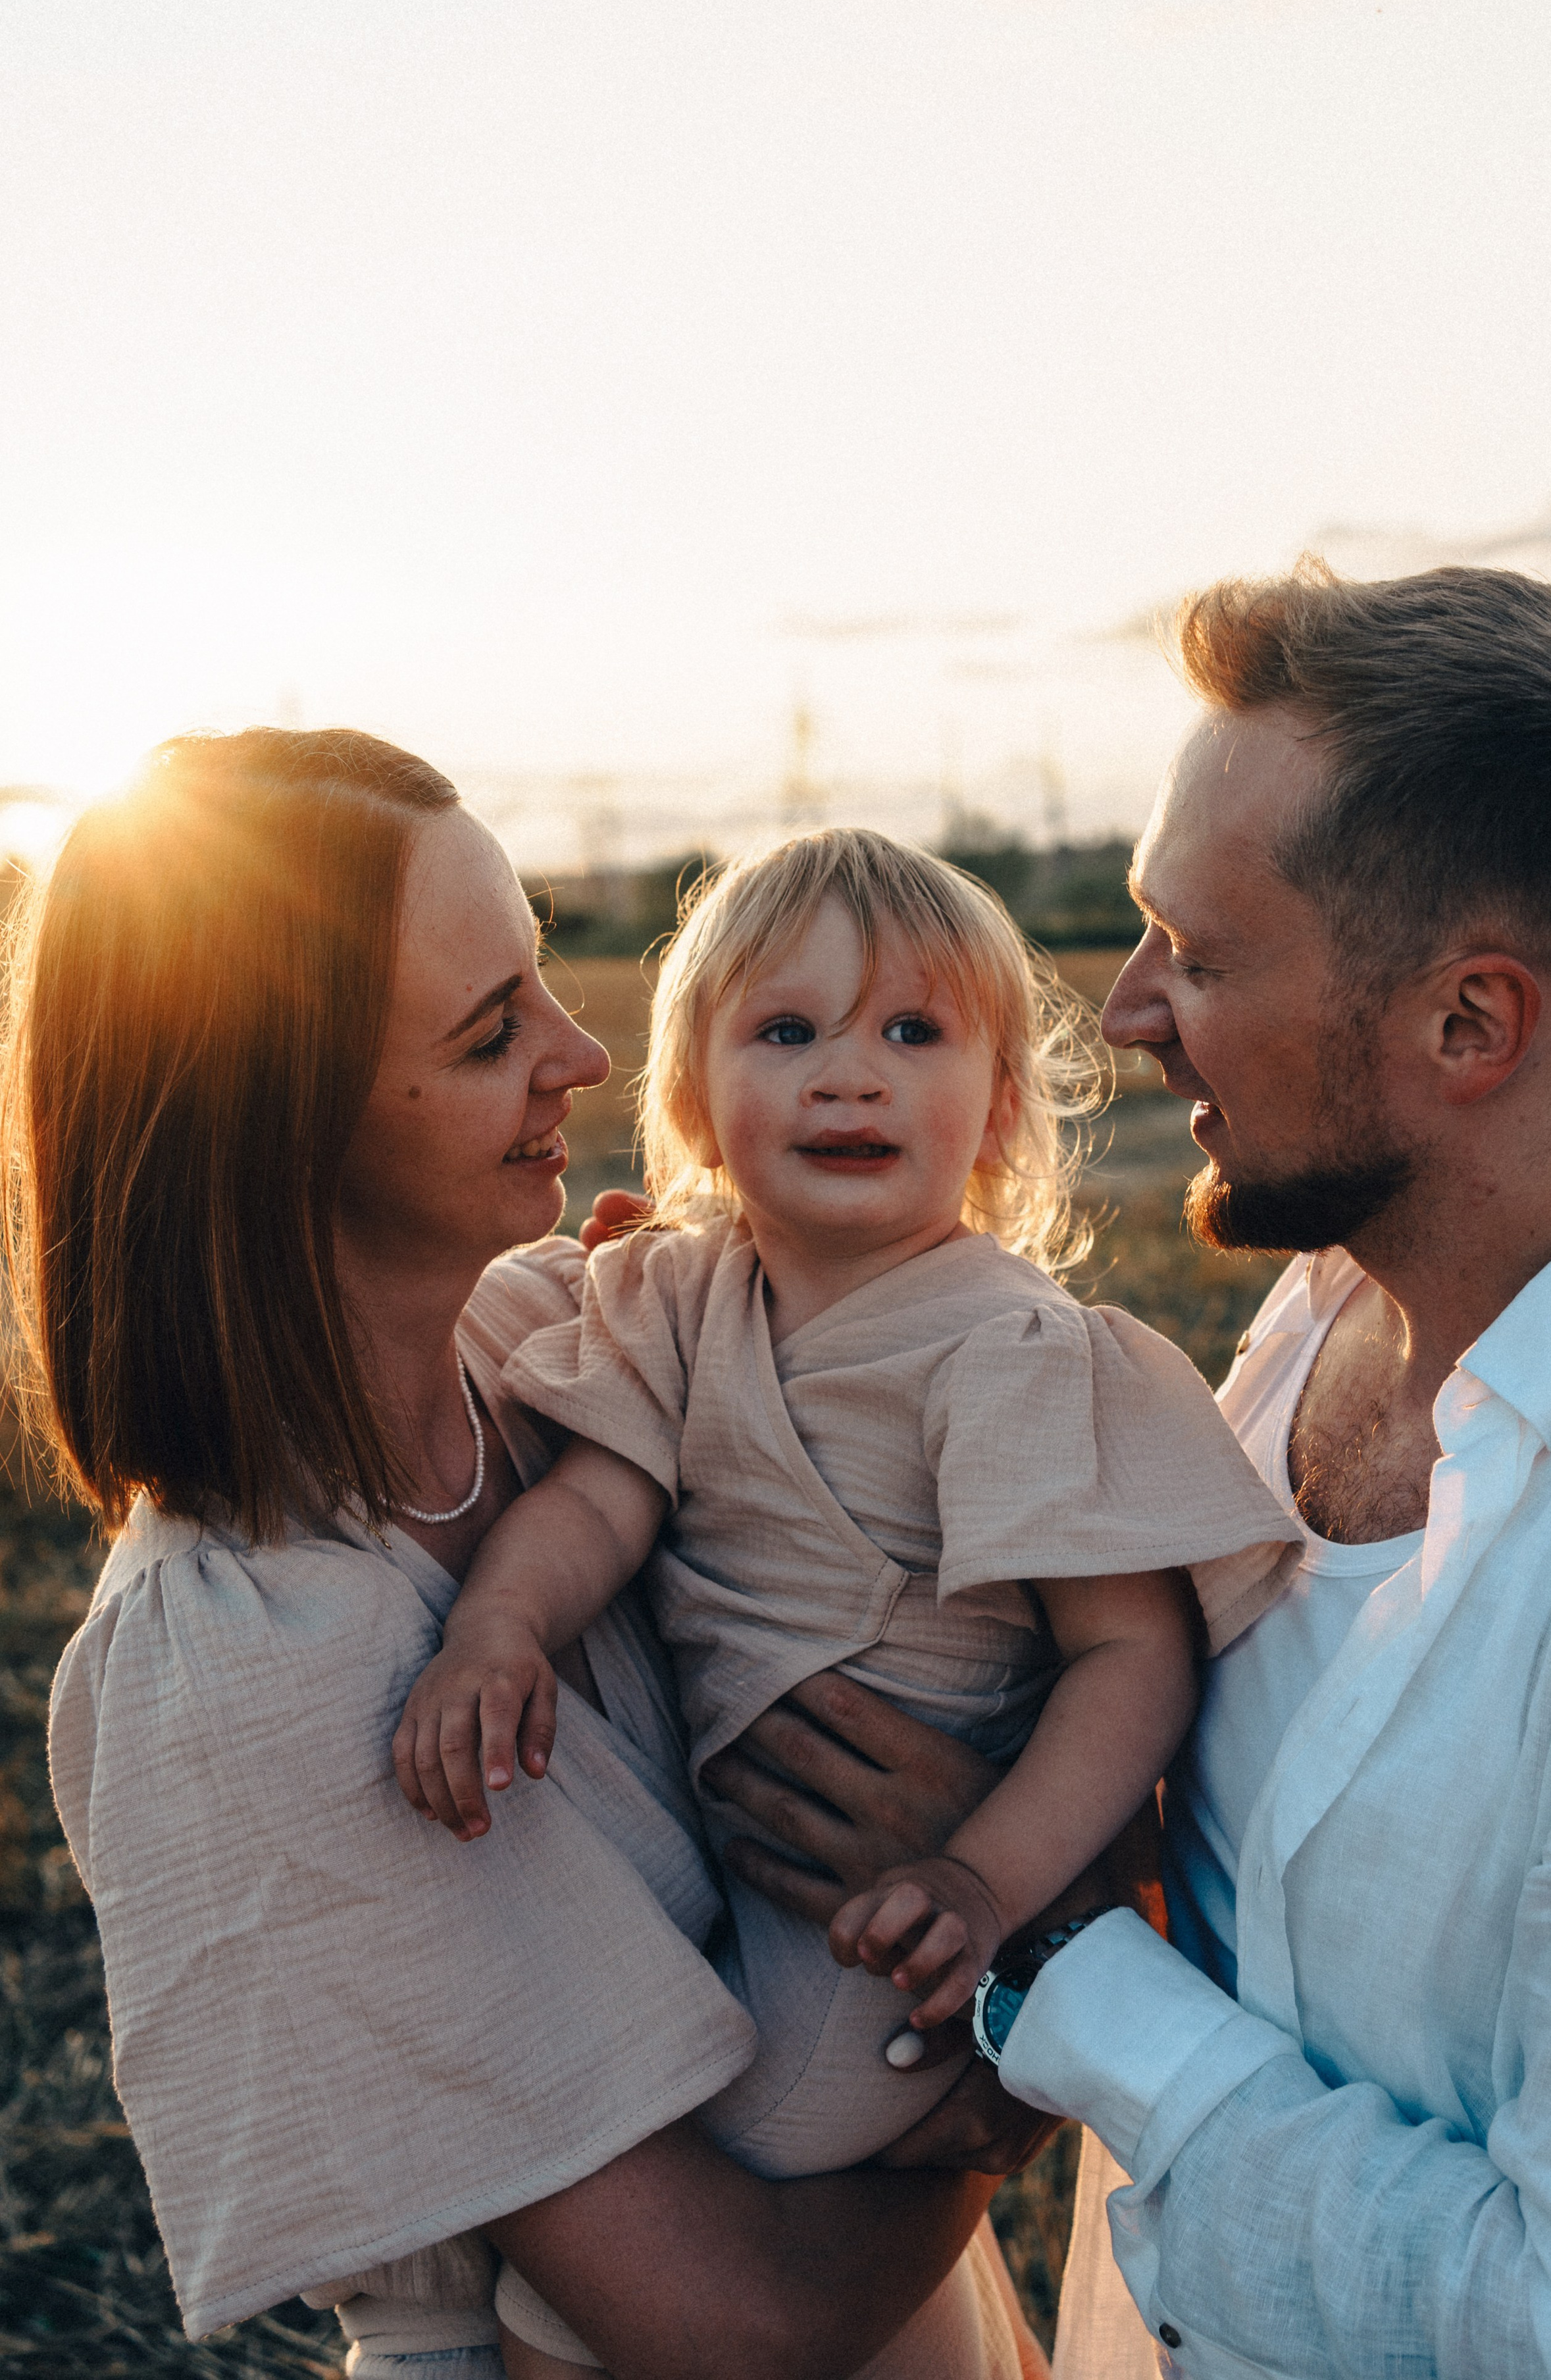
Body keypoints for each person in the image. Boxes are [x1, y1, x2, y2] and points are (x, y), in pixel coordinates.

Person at [728, 561, 1551, 2376]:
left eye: (1201, 953)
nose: (1127, 1009)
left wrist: (1064, 1959)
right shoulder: (1327, 1302)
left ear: (1470, 1025)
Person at [12, 727, 1053, 2380]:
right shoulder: (241, 1662)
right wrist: (1032, 2021)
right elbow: (735, 2320)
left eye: (544, 978)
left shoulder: (544, 1345)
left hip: (912, 2306)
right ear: (280, 1126)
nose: (583, 1052)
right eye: (493, 1029)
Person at [388, 826, 1288, 2373]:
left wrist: (983, 1883)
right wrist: (497, 1624)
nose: (848, 1078)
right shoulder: (681, 1296)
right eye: (788, 1031)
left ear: (996, 1108)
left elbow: (1128, 1657)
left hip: (883, 1926)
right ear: (694, 1099)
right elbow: (597, 1502)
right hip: (729, 1880)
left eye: (912, 1033)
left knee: (626, 2279)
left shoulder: (1006, 1350)